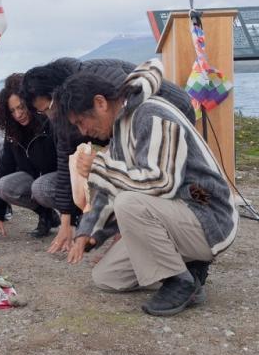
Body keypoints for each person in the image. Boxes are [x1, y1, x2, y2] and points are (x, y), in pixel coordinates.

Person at [55, 60, 238, 316]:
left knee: (128, 202)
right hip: (174, 217)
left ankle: (178, 280)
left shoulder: (152, 114)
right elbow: (110, 189)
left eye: (81, 121)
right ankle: (189, 271)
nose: (83, 130)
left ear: (100, 102)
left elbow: (161, 182)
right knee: (107, 277)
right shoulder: (119, 130)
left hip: (207, 216)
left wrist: (99, 167)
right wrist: (89, 233)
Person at [21, 57, 195, 254]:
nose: (50, 115)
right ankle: (134, 238)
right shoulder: (67, 111)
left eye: (50, 107)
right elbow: (64, 158)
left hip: (172, 107)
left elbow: (128, 110)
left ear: (56, 91)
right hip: (130, 132)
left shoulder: (96, 75)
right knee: (116, 175)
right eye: (43, 112)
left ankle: (183, 244)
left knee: (158, 179)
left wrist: (104, 164)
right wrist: (66, 221)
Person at [0, 74, 58, 240]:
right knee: (3, 185)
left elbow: (66, 162)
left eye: (21, 107)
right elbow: (4, 169)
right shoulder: (13, 133)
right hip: (35, 180)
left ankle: (75, 219)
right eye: (12, 111)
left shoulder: (50, 122)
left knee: (40, 187)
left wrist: (69, 215)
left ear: (30, 102)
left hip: (60, 178)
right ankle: (46, 215)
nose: (18, 114)